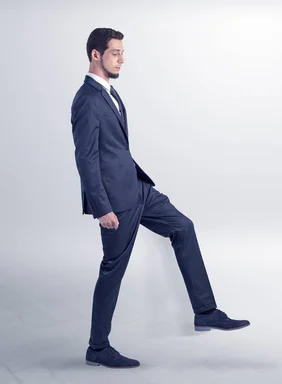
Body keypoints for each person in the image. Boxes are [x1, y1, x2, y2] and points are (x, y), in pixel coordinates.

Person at [71, 28, 250, 369]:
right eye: (115, 52)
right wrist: (101, 208)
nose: (122, 58)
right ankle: (97, 347)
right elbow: (86, 158)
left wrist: (139, 185)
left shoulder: (111, 93)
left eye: (123, 52)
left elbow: (116, 149)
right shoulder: (87, 99)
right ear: (96, 55)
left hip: (139, 189)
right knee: (113, 270)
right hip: (116, 202)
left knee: (183, 227)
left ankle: (206, 311)